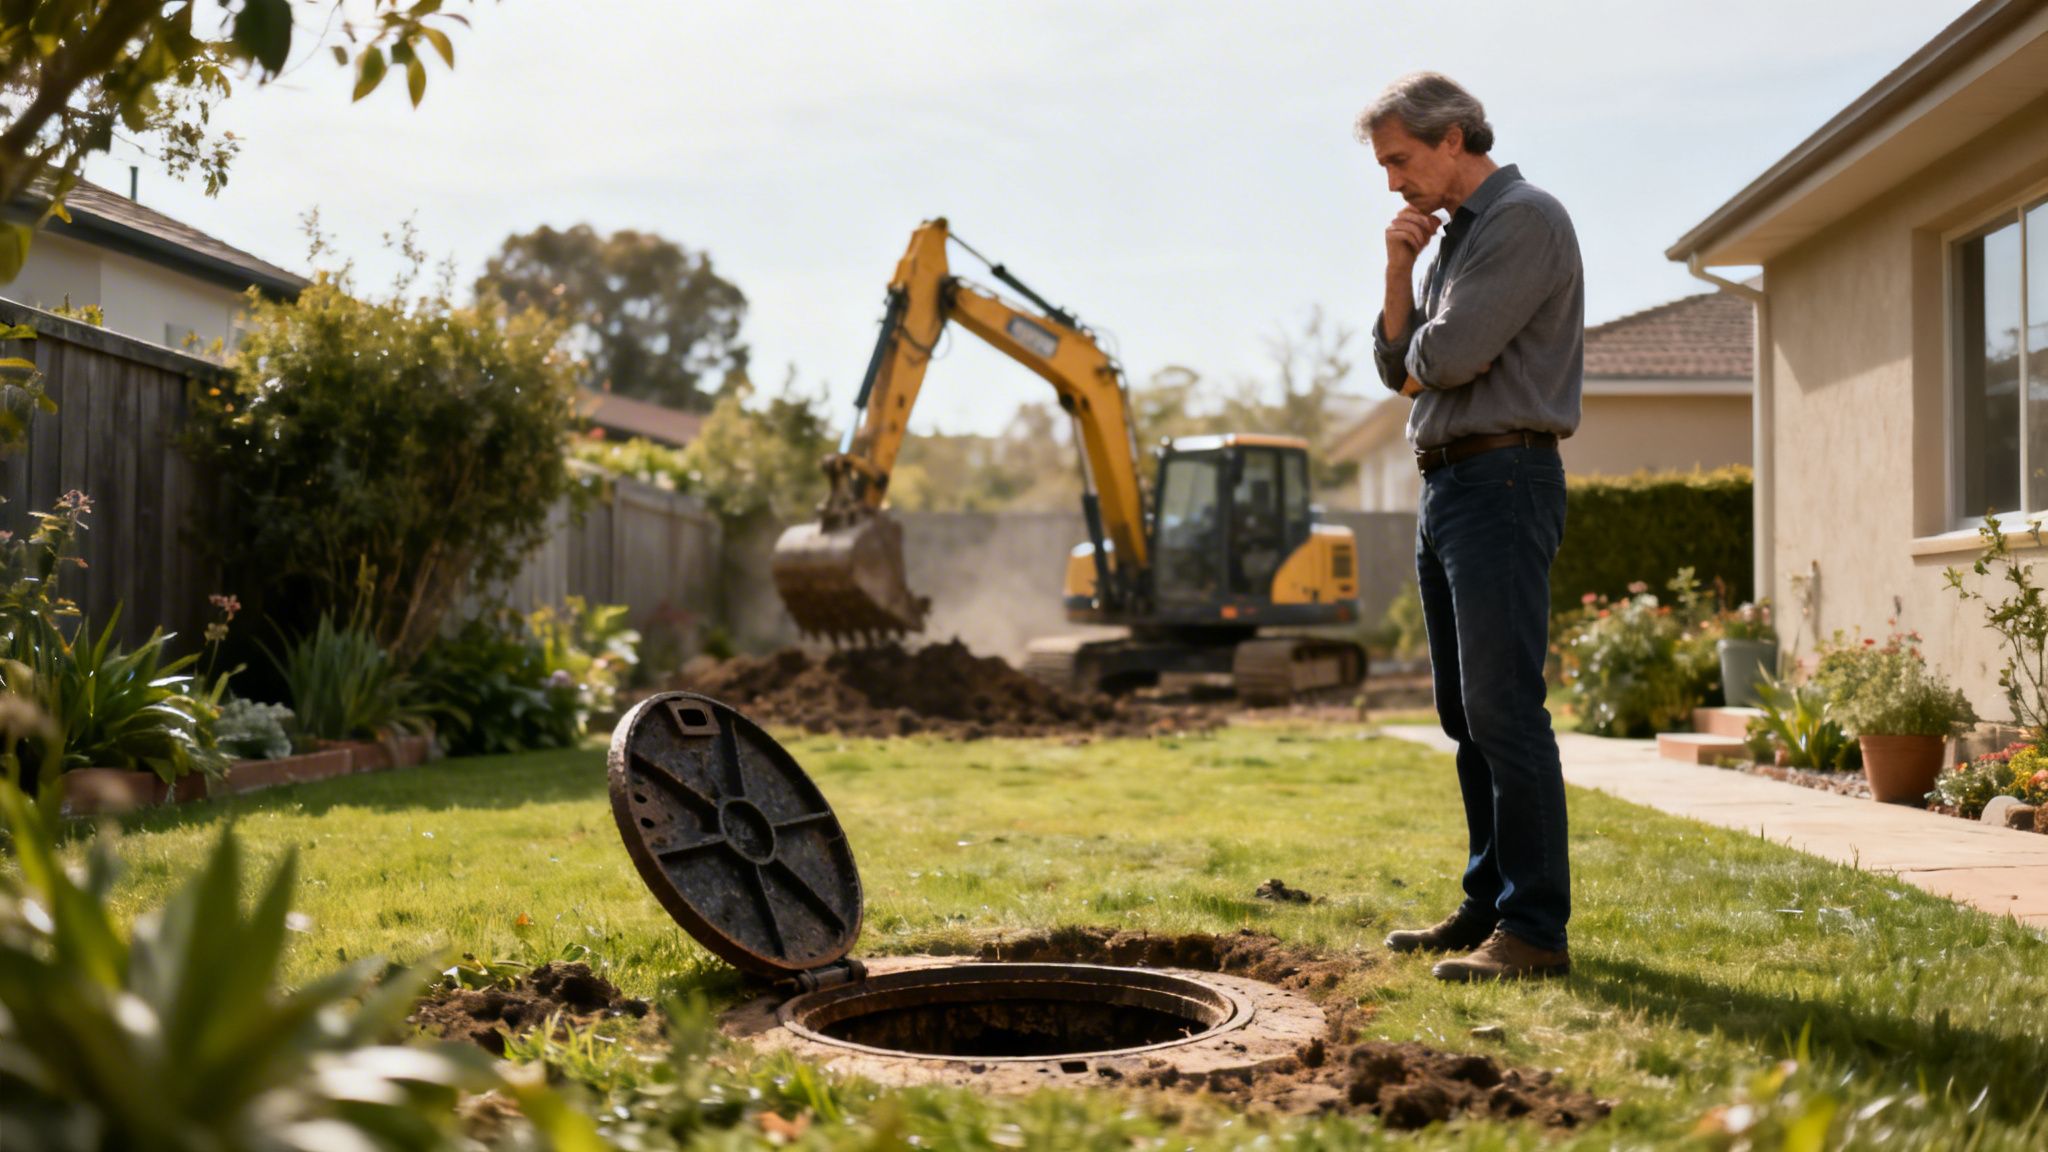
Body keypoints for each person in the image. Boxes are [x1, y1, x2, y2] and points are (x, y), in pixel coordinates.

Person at [1361, 72, 1583, 982]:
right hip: (1449, 487)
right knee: (1463, 712)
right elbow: (1396, 365)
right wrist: (1397, 270)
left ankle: (1534, 931)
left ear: (1454, 137)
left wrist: (1421, 357)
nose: (1392, 182)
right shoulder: (1453, 240)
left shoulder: (1525, 218)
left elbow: (1445, 357)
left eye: (1400, 159)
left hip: (1502, 477)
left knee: (1504, 709)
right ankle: (1489, 904)